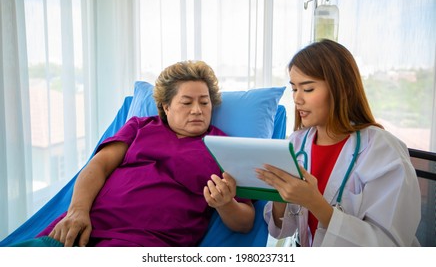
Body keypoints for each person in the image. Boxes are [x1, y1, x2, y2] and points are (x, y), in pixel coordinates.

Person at [24, 60, 255, 247]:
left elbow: (245, 221)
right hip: (83, 227)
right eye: (186, 102)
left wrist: (225, 204)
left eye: (204, 103)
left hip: (145, 243)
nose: (197, 110)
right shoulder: (140, 126)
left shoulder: (224, 146)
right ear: (166, 107)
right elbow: (98, 166)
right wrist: (77, 212)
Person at [256, 39, 421, 247]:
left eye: (307, 89)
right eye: (294, 89)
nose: (297, 99)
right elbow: (281, 230)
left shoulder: (384, 151)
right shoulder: (295, 143)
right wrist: (281, 197)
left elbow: (388, 245)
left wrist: (314, 202)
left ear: (342, 90)